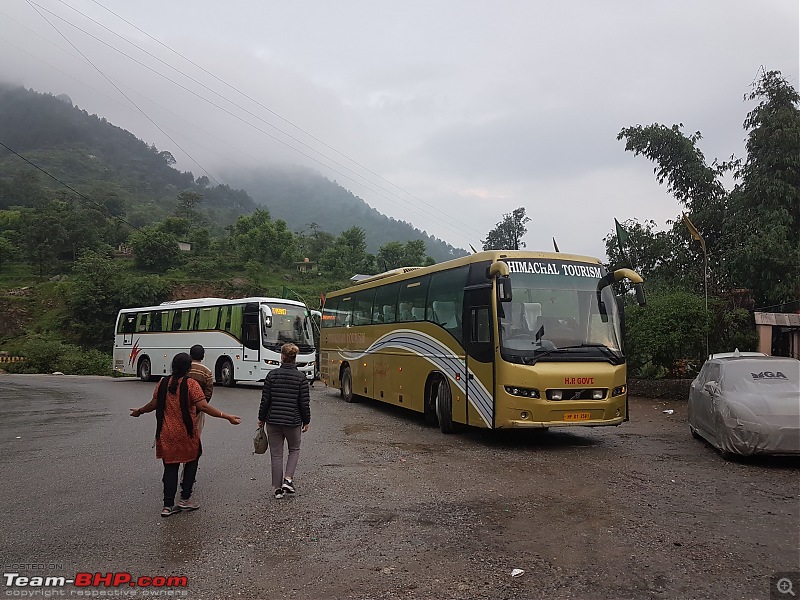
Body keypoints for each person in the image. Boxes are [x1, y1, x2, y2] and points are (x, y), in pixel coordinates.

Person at [130, 352, 241, 517]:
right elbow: (203, 406)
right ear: (188, 368)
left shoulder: (162, 383)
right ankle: (185, 499)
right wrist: (226, 416)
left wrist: (139, 411)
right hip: (186, 433)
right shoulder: (191, 385)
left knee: (170, 467)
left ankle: (167, 506)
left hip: (166, 433)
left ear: (173, 366)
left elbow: (153, 404)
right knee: (192, 460)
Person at [258, 342, 311, 499]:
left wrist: (261, 418)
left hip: (273, 420)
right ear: (295, 358)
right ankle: (288, 479)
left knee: (276, 454)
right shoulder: (301, 378)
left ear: (282, 357)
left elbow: (265, 400)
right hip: (293, 421)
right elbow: (304, 403)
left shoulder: (272, 376)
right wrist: (306, 421)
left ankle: (277, 489)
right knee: (294, 449)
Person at [188, 344, 214, 434]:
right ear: (203, 356)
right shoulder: (207, 371)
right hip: (198, 408)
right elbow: (208, 393)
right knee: (196, 434)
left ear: (190, 355)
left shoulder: (185, 368)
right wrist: (201, 407)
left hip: (181, 407)